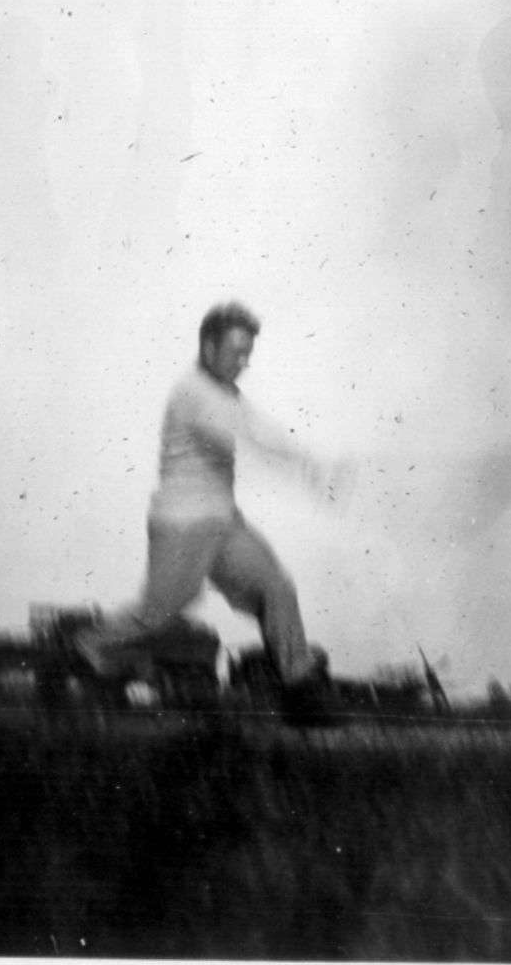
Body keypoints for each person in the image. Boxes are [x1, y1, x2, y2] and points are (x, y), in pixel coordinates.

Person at [77, 302, 350, 725]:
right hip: (183, 524)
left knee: (275, 586)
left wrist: (309, 461)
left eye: (248, 353)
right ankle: (86, 648)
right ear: (208, 347)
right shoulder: (192, 392)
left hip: (223, 522)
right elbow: (244, 435)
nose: (244, 362)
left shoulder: (227, 392)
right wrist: (305, 468)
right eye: (236, 352)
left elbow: (259, 426)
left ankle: (300, 691)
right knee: (161, 611)